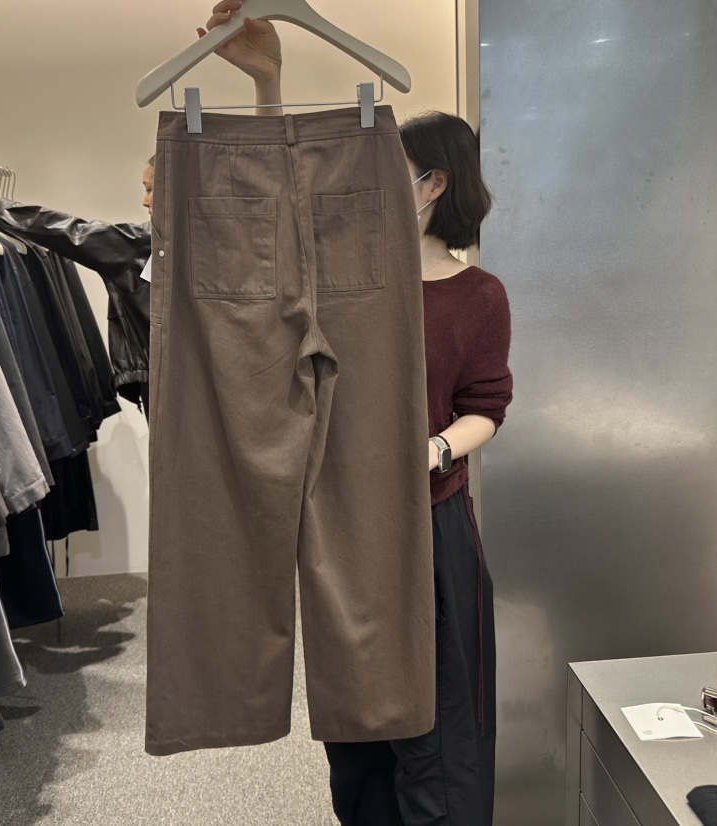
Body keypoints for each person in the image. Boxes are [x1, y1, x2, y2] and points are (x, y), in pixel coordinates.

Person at [202, 2, 512, 823]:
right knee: (357, 732)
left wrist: (434, 451)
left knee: (440, 732)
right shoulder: (342, 283)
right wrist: (268, 82)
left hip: (430, 526)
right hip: (342, 525)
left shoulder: (477, 295)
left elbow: (487, 405)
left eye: (385, 172)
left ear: (432, 184)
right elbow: (276, 213)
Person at [0, 160, 153, 417]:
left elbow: (75, 234)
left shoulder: (144, 243)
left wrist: (7, 211)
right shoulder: (181, 240)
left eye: (150, 189)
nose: (145, 201)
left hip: (161, 379)